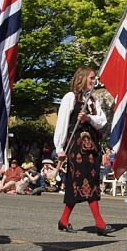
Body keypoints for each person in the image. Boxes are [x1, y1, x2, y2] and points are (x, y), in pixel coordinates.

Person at [54, 66, 111, 235]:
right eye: (91, 78)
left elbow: (102, 121)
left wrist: (88, 118)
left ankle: (64, 220)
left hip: (92, 145)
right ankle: (99, 222)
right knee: (87, 180)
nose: (94, 81)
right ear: (82, 78)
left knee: (78, 182)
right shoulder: (70, 97)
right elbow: (62, 123)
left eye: (94, 78)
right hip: (76, 145)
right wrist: (59, 148)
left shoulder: (93, 100)